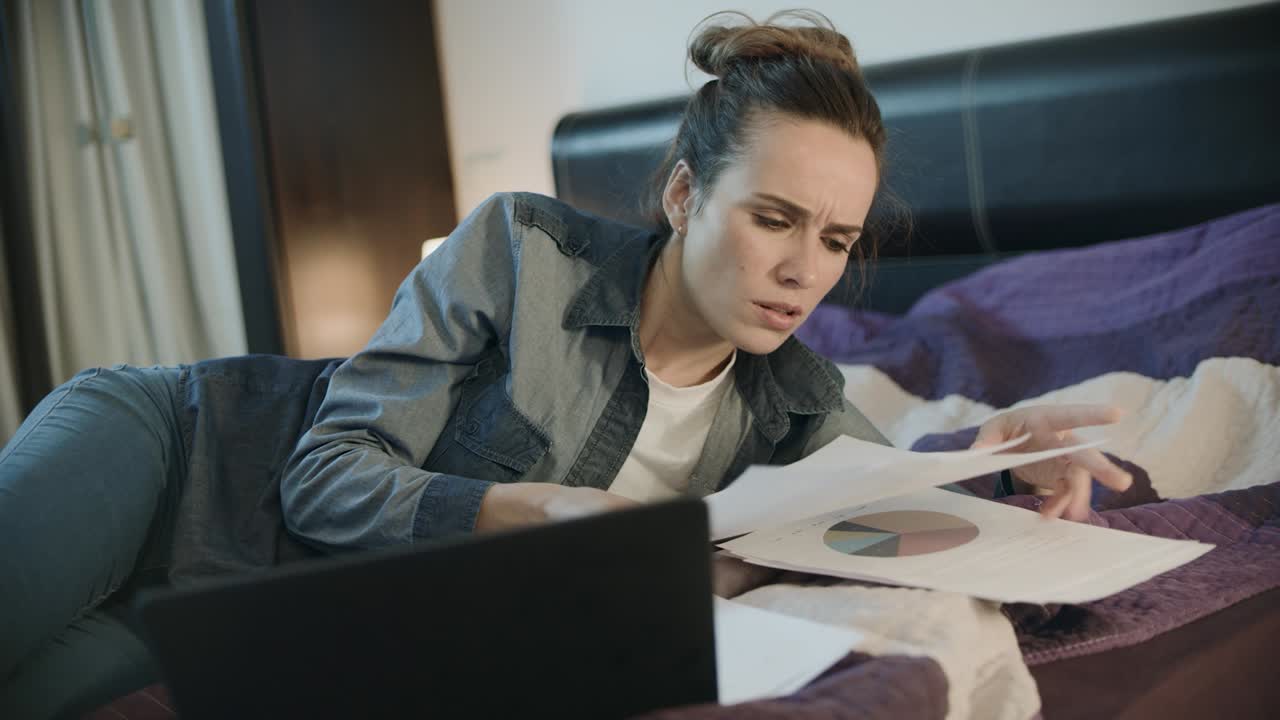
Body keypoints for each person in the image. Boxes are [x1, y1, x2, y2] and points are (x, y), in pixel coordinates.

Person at [0, 10, 1132, 717]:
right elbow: (325, 472)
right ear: (685, 194)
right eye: (773, 218)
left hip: (236, 607)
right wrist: (526, 511)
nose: (802, 270)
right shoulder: (520, 252)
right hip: (170, 454)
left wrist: (997, 465)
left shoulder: (796, 401)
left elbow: (878, 517)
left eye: (834, 240)